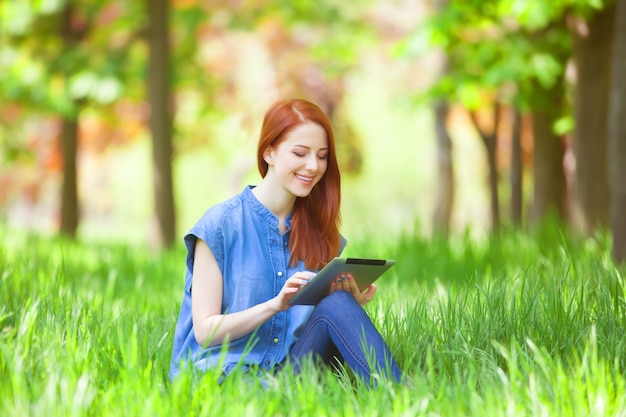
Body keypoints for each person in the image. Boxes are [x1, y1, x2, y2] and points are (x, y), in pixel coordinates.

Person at [169, 98, 402, 386]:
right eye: (300, 153)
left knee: (339, 303)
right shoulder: (220, 224)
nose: (313, 166)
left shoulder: (319, 232)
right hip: (222, 378)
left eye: (322, 155)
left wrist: (346, 307)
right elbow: (205, 330)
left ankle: (402, 399)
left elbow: (314, 328)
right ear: (269, 153)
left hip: (287, 377)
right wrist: (274, 305)